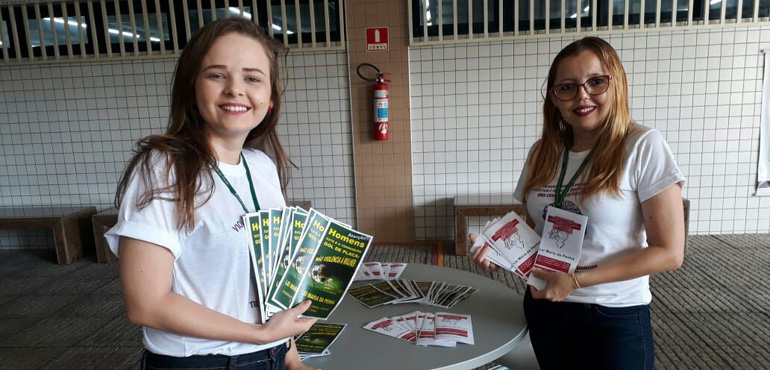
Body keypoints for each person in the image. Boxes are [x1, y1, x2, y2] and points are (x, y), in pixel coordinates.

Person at [105, 18, 318, 370]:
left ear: (270, 99)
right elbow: (146, 304)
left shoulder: (261, 166)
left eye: (252, 78)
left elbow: (274, 281)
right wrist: (260, 335)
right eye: (217, 75)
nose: (235, 89)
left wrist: (291, 357)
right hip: (203, 362)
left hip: (272, 356)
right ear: (192, 89)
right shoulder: (164, 168)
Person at [471, 36, 685, 370]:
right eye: (567, 87)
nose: (582, 96)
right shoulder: (542, 152)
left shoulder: (643, 146)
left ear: (616, 84)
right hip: (545, 303)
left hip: (610, 314)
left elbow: (669, 253)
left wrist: (574, 281)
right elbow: (537, 228)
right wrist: (502, 252)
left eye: (596, 82)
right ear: (554, 98)